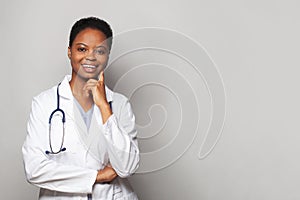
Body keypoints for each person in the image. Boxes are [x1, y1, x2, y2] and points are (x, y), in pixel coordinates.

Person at [22, 17, 140, 200]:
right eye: (82, 49)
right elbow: (34, 169)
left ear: (108, 56)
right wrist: (97, 176)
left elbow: (127, 167)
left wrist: (104, 107)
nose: (90, 57)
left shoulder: (120, 104)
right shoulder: (44, 103)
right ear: (70, 52)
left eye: (100, 51)